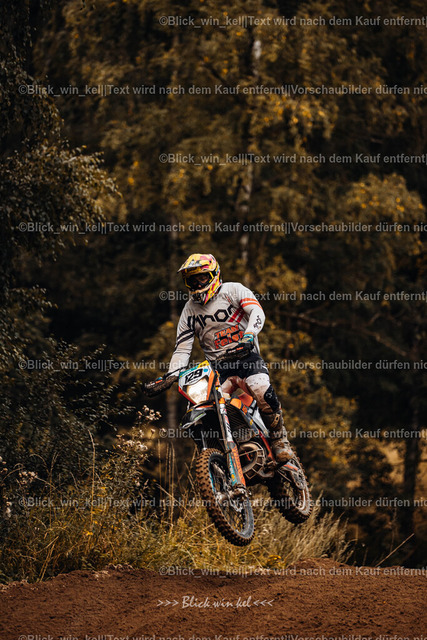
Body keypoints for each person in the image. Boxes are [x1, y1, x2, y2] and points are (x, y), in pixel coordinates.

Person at [168, 253, 294, 463]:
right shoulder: (189, 311)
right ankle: (216, 459)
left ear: (214, 275)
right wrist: (171, 375)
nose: (197, 284)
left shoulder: (233, 290)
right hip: (217, 369)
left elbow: (257, 312)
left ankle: (279, 439)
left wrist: (249, 335)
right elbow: (182, 349)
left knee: (262, 389)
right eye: (192, 280)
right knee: (196, 412)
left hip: (246, 358)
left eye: (202, 278)